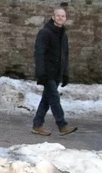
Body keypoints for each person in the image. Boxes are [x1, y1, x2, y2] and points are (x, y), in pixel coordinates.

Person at [32, 8, 77, 136]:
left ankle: (37, 124)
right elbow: (39, 53)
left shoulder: (64, 35)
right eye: (58, 16)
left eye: (63, 16)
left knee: (46, 99)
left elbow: (65, 55)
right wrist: (41, 73)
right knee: (54, 98)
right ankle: (62, 125)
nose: (60, 18)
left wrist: (65, 73)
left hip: (57, 73)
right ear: (53, 17)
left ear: (65, 18)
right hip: (47, 72)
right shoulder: (45, 32)